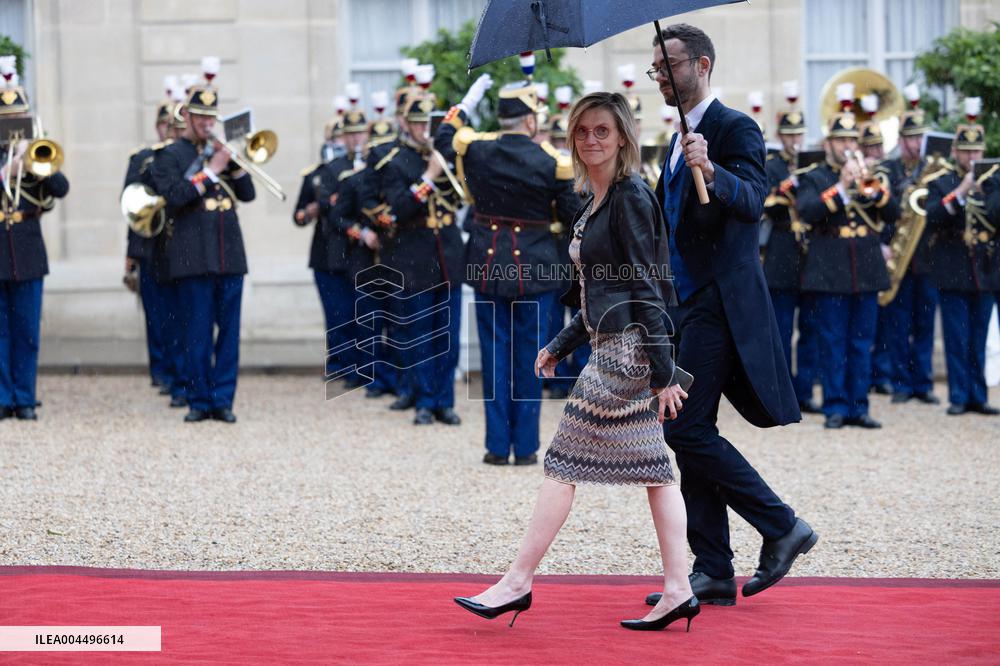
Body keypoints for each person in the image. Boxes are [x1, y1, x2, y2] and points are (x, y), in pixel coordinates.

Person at [455, 92, 698, 631]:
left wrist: (662, 375)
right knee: (657, 472)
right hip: (613, 342)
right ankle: (679, 589)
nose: (591, 140)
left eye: (602, 131)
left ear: (624, 137)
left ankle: (517, 583)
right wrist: (561, 344)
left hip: (626, 352)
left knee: (563, 463)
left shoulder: (630, 195)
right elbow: (598, 286)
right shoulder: (597, 197)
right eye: (583, 130)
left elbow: (646, 286)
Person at [642, 24, 814, 610]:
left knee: (683, 429)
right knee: (692, 430)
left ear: (702, 64)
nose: (661, 76)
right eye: (656, 68)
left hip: (721, 301)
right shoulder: (674, 138)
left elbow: (753, 200)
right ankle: (713, 569)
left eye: (669, 65)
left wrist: (713, 171)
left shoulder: (733, 127)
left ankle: (782, 524)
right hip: (684, 304)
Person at [436, 77, 580, 464]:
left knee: (494, 357)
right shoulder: (553, 162)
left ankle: (498, 447)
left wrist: (467, 103)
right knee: (533, 357)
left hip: (488, 266)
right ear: (530, 120)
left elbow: (443, 135)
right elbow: (572, 216)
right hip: (536, 269)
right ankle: (526, 446)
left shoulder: (475, 148)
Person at [150, 59, 256, 423]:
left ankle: (223, 399)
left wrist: (234, 164)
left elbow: (248, 194)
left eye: (211, 117)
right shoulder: (170, 155)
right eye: (200, 117)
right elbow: (176, 196)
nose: (207, 123)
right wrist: (211, 171)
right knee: (196, 333)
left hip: (229, 253)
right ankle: (198, 399)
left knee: (229, 334)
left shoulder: (221, 151)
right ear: (187, 116)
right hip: (192, 255)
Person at [796, 110, 896, 429]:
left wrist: (870, 186)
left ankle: (859, 406)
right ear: (829, 143)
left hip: (866, 268)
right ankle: (835, 406)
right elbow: (807, 211)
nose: (847, 146)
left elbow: (892, 213)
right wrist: (841, 186)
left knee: (862, 342)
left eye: (852, 140)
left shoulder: (869, 176)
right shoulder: (815, 176)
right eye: (840, 140)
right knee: (833, 341)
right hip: (830, 269)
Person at [377, 96, 465, 426]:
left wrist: (447, 163)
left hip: (448, 256)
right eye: (418, 124)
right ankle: (425, 400)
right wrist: (428, 176)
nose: (424, 131)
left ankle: (445, 401)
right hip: (415, 257)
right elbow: (398, 209)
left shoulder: (449, 157)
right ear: (407, 125)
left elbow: (462, 197)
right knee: (421, 335)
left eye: (429, 125)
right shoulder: (396, 161)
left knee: (448, 336)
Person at [0, 59, 70, 421]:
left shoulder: (34, 152)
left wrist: (33, 161)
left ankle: (25, 397)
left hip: (27, 247)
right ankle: (3, 397)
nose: (14, 125)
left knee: (27, 329)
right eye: (8, 119)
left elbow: (61, 188)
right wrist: (7, 171)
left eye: (19, 118)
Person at [924, 105, 998, 417]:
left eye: (976, 151)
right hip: (953, 266)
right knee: (957, 336)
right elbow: (932, 216)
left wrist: (985, 189)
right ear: (955, 152)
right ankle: (958, 395)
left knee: (979, 337)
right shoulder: (942, 181)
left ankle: (978, 395)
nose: (971, 157)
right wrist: (963, 191)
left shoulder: (994, 181)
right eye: (965, 151)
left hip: (983, 268)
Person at [875, 100, 939, 405]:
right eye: (912, 138)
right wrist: (882, 243)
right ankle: (900, 382)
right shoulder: (888, 169)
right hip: (897, 257)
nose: (917, 144)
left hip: (926, 258)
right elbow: (880, 211)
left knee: (924, 325)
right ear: (901, 140)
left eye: (920, 137)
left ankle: (923, 383)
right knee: (897, 325)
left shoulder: (934, 170)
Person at [761, 97, 821, 414]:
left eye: (799, 134)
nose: (795, 140)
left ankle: (806, 390)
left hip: (810, 255)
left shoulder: (814, 166)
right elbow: (766, 206)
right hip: (782, 251)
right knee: (782, 330)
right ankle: (782, 395)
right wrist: (790, 182)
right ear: (780, 136)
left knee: (810, 328)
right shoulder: (772, 166)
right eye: (789, 134)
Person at [123, 87, 175, 394]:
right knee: (155, 312)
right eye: (164, 124)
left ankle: (179, 370)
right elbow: (131, 206)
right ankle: (160, 370)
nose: (168, 129)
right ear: (157, 127)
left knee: (181, 311)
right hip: (150, 245)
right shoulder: (142, 158)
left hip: (180, 244)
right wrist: (130, 255)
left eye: (173, 124)